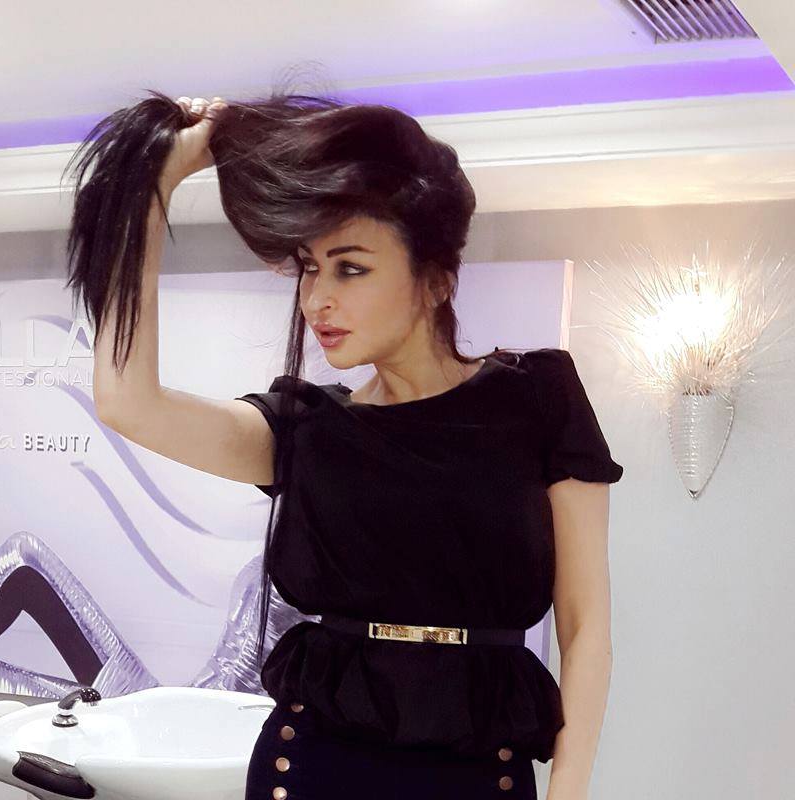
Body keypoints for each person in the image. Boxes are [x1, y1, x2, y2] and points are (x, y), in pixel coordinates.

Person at [64, 81, 624, 800]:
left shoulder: (538, 398)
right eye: (308, 267)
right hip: (312, 768)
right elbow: (128, 402)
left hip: (476, 771)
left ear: (437, 279)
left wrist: (570, 789)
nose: (316, 299)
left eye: (350, 267)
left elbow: (585, 626)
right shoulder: (306, 428)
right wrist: (153, 186)